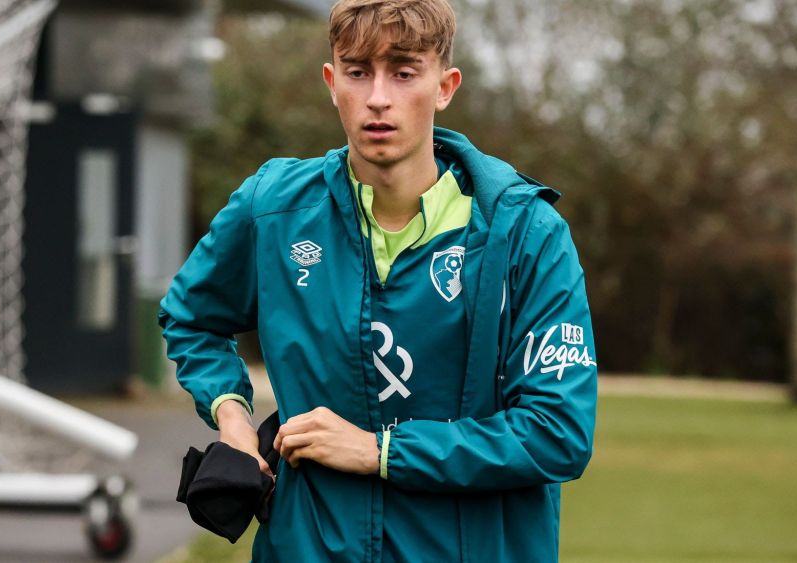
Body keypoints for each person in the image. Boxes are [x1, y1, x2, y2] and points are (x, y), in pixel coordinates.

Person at [158, 0, 598, 560]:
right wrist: (234, 418)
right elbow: (191, 318)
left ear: (445, 86)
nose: (378, 98)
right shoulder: (271, 210)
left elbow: (557, 432)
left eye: (404, 72)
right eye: (358, 72)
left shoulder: (527, 234)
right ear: (331, 82)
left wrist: (380, 451)